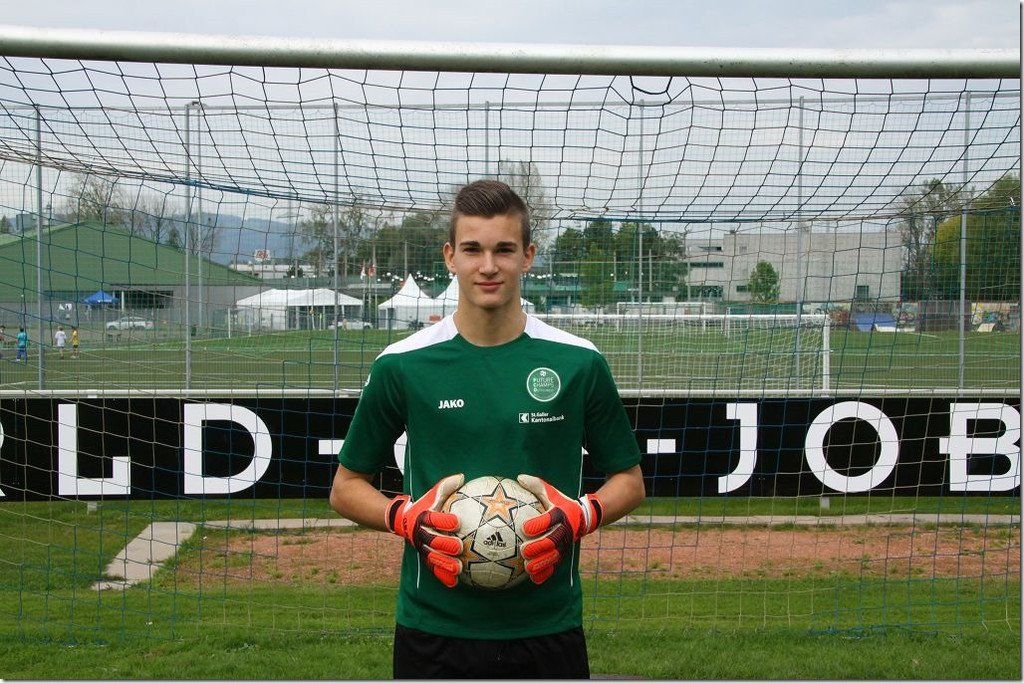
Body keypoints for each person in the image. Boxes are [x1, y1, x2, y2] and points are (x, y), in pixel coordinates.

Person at [329, 180, 645, 679]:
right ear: (450, 257)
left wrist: (583, 515)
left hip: (547, 626)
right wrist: (403, 517)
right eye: (473, 249)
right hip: (433, 627)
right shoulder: (402, 365)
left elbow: (630, 480)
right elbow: (345, 487)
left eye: (505, 249)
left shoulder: (579, 362)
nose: (489, 265)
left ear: (528, 257)